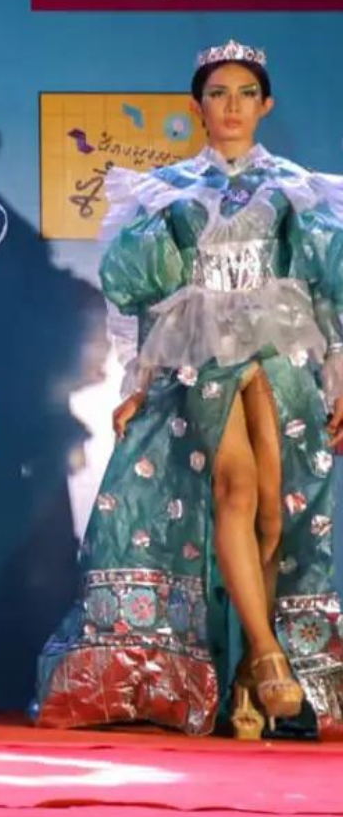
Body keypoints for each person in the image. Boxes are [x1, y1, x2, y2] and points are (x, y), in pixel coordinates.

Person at [35, 41, 343, 739]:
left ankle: (246, 676)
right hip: (200, 360)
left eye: (243, 94)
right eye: (217, 94)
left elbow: (330, 288)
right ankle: (266, 660)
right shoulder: (168, 191)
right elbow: (145, 298)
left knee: (274, 515)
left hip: (283, 356)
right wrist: (135, 379)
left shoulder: (295, 188)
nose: (230, 107)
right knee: (234, 490)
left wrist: (340, 373)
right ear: (196, 106)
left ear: (265, 105)